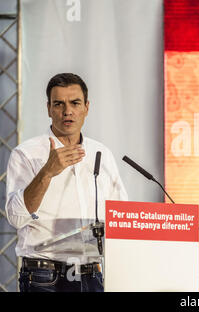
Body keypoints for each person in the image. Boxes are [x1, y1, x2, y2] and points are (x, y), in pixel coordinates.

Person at [5, 73, 128, 292]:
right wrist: (47, 172)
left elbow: (121, 216)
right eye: (59, 104)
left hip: (91, 274)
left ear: (86, 108)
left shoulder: (101, 154)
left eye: (75, 103)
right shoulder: (26, 154)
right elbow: (16, 217)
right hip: (43, 276)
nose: (67, 111)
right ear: (49, 108)